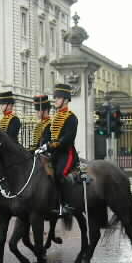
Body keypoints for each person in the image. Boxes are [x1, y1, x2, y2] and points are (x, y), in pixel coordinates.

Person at [38, 83, 78, 215]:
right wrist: (42, 146)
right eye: (55, 97)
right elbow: (48, 135)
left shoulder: (72, 117)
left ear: (65, 99)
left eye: (58, 97)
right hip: (55, 154)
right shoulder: (55, 118)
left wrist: (50, 145)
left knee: (60, 174)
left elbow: (67, 139)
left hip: (67, 153)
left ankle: (66, 204)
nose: (55, 100)